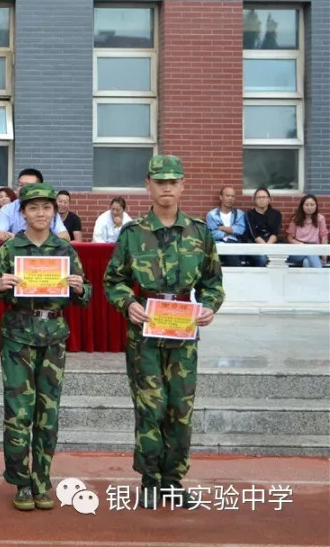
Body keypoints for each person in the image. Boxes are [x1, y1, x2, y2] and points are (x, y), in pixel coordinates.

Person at [103, 155, 223, 510]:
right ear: (148, 185)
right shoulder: (133, 233)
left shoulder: (199, 232)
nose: (167, 187)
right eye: (160, 181)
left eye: (173, 181)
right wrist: (128, 303)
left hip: (184, 334)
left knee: (180, 409)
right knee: (150, 408)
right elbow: (114, 280)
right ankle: (150, 480)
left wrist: (210, 306)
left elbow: (213, 282)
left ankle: (173, 480)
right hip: (146, 337)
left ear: (183, 185)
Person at [0, 183, 91, 511]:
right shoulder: (10, 248)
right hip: (17, 335)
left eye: (46, 208)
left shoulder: (65, 249)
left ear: (54, 212)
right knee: (18, 413)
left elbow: (86, 295)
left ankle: (41, 479)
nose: (40, 214)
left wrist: (78, 288)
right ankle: (20, 481)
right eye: (33, 208)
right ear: (23, 212)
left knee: (48, 414)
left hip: (54, 336)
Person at [0, 169, 69, 242]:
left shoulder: (48, 209)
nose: (23, 189)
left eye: (29, 186)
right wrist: (11, 237)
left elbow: (64, 236)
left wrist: (43, 241)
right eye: (20, 185)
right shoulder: (8, 209)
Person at [205, 187, 246, 267]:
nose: (230, 198)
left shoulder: (240, 214)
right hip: (219, 244)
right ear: (221, 197)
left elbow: (241, 230)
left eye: (232, 196)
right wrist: (230, 232)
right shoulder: (212, 215)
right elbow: (212, 234)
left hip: (235, 244)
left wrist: (223, 228)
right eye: (227, 196)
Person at [286, 194, 328, 268]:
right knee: (310, 252)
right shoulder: (295, 219)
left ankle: (311, 279)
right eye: (307, 205)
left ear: (316, 206)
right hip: (299, 250)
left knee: (307, 262)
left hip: (315, 249)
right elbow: (290, 238)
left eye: (312, 205)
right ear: (302, 206)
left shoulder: (320, 219)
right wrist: (301, 245)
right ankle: (321, 276)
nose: (309, 207)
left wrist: (324, 254)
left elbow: (324, 236)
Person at [243, 187, 281, 267]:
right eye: (258, 197)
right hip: (255, 245)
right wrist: (265, 249)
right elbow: (254, 235)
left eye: (264, 197)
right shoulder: (250, 214)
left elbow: (275, 233)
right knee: (263, 258)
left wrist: (268, 247)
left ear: (269, 199)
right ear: (254, 200)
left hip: (272, 244)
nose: (261, 200)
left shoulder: (276, 214)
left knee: (278, 258)